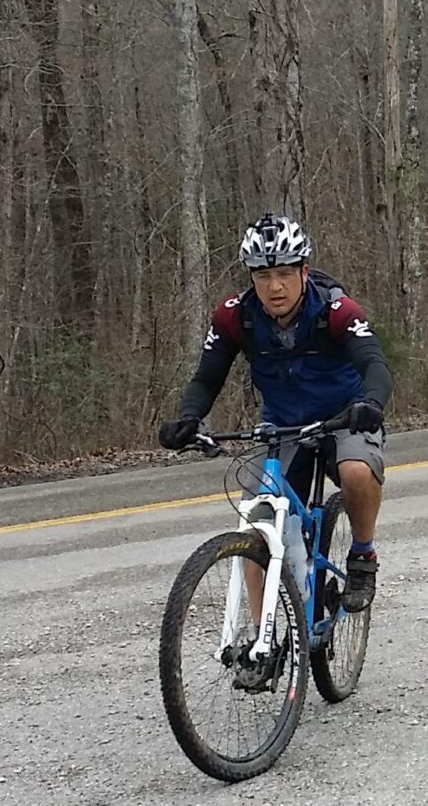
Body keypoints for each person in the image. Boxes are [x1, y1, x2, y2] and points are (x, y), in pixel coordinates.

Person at [159, 214, 390, 614]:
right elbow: (206, 378)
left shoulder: (336, 310)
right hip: (283, 424)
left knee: (356, 471)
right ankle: (258, 640)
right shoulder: (235, 317)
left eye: (284, 273)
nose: (274, 286)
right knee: (257, 522)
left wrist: (371, 403)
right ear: (251, 278)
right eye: (263, 276)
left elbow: (375, 365)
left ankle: (362, 555)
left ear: (304, 270)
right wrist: (189, 417)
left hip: (345, 415)